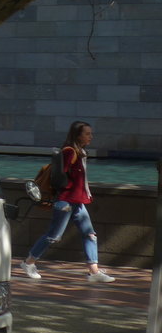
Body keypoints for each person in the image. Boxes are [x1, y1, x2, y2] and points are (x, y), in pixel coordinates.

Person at [22, 120, 115, 283]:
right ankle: (28, 263)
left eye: (90, 133)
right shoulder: (69, 152)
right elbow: (58, 177)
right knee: (53, 236)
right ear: (77, 135)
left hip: (77, 202)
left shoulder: (79, 152)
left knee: (90, 234)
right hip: (65, 202)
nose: (90, 137)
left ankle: (94, 272)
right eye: (87, 133)